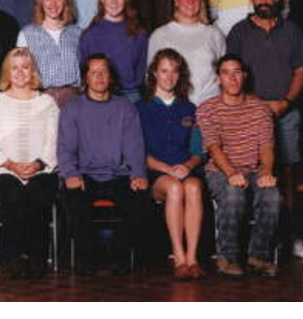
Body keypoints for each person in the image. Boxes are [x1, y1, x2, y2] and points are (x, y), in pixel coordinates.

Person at [226, 0, 303, 257]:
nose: (263, 1)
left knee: (287, 173)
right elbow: (231, 75)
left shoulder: (292, 31)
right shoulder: (238, 32)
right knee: (255, 174)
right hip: (250, 115)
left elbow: (300, 70)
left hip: (286, 114)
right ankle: (255, 242)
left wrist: (285, 102)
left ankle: (291, 236)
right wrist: (257, 107)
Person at [58, 54, 147, 275]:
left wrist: (138, 174)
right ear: (85, 78)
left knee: (138, 198)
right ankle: (86, 261)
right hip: (84, 173)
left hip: (117, 174)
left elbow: (135, 146)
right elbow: (65, 148)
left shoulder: (125, 107)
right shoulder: (73, 108)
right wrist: (70, 173)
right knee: (74, 201)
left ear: (111, 76)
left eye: (104, 71)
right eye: (93, 72)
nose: (99, 76)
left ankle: (121, 260)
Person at [198, 54, 281, 277]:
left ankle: (258, 257)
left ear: (244, 76)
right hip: (221, 171)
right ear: (218, 79)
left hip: (253, 170)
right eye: (226, 73)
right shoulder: (207, 109)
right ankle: (228, 257)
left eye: (236, 72)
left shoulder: (260, 108)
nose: (232, 79)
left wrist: (267, 171)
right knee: (234, 192)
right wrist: (232, 173)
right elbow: (214, 148)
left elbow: (266, 146)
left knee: (272, 195)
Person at [0, 48, 59, 278]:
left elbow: (53, 140)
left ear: (32, 70)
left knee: (37, 194)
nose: (20, 72)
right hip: (2, 170)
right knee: (14, 195)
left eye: (25, 66)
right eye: (14, 67)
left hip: (41, 169)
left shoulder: (47, 102)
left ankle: (36, 260)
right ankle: (12, 258)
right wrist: (12, 165)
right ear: (7, 71)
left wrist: (37, 164)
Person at [138, 48, 206, 279]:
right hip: (157, 175)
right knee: (175, 188)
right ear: (154, 73)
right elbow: (138, 154)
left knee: (194, 187)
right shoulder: (140, 108)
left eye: (174, 72)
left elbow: (199, 151)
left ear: (180, 75)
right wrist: (168, 170)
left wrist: (187, 166)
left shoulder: (190, 109)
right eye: (164, 71)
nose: (169, 77)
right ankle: (178, 257)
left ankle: (192, 259)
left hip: (186, 170)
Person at [147, 0, 226, 105]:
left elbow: (224, 75)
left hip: (211, 107)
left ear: (201, 2)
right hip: (174, 108)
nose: (191, 1)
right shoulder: (160, 35)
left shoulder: (215, 34)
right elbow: (150, 78)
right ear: (176, 1)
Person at [79, 0, 149, 102]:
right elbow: (84, 71)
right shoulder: (89, 35)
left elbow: (142, 68)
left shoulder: (139, 34)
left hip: (130, 94)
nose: (114, 2)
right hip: (99, 95)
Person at [16, 0, 82, 107]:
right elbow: (21, 75)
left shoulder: (77, 33)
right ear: (41, 1)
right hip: (41, 100)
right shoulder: (26, 34)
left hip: (74, 100)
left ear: (65, 1)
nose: (53, 4)